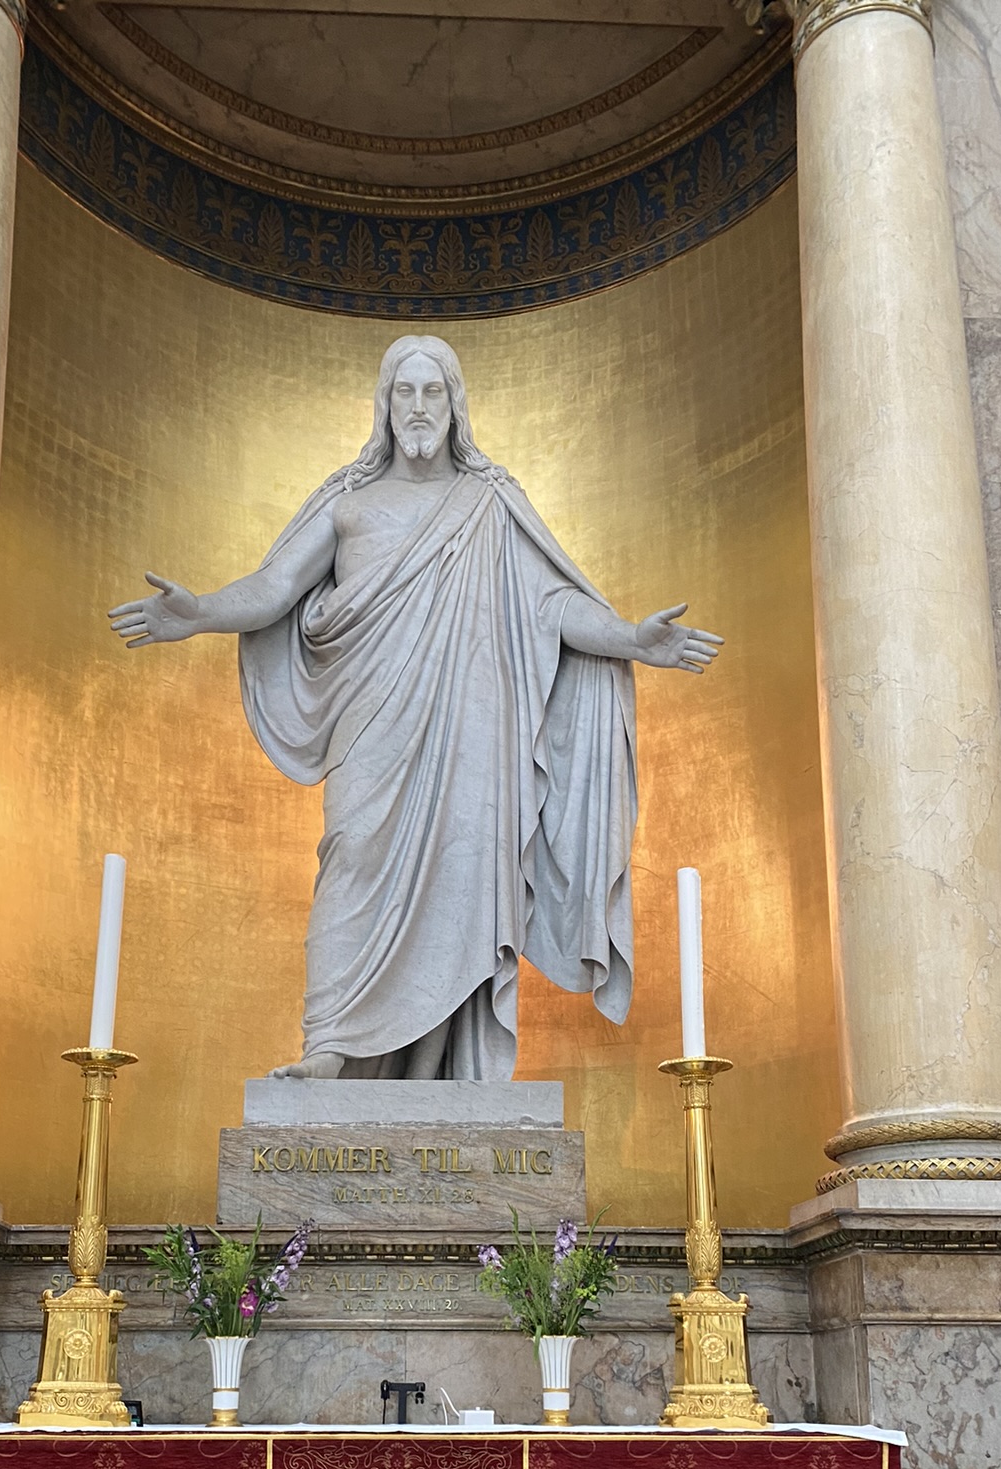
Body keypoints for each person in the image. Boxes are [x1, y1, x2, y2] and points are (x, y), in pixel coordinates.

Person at [109, 335, 721, 1079]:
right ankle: (329, 1044)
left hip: (470, 737)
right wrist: (201, 611)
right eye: (406, 391)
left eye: (434, 391)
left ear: (455, 405)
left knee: (464, 877)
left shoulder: (489, 503)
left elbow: (550, 606)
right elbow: (275, 587)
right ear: (385, 404)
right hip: (370, 729)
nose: (420, 407)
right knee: (352, 853)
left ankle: (438, 1072)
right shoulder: (350, 504)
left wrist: (631, 638)